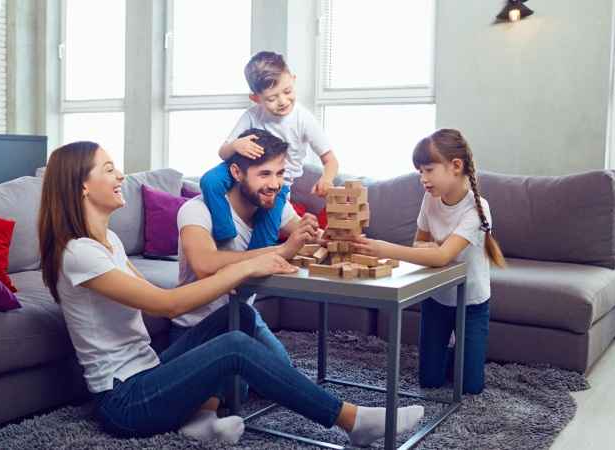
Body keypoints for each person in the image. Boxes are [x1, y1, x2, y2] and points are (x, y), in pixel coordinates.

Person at [38, 141, 424, 446]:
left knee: (232, 318)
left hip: (148, 372)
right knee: (235, 346)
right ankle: (352, 421)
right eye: (109, 169)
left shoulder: (108, 241)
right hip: (123, 401)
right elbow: (167, 304)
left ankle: (200, 419)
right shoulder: (79, 253)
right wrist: (245, 266)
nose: (121, 174)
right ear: (82, 185)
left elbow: (153, 292)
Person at [352, 129, 506, 395]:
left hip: (471, 301)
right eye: (419, 172)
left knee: (470, 386)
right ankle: (450, 353)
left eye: (428, 170)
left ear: (455, 166)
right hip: (437, 298)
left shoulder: (478, 207)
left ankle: (465, 354)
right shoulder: (430, 199)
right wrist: (431, 250)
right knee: (429, 381)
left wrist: (385, 248)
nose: (422, 179)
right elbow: (419, 244)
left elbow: (442, 255)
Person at [173, 128, 320, 398]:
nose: (275, 184)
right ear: (237, 173)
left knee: (282, 371)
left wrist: (320, 234)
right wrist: (282, 249)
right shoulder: (197, 209)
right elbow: (205, 264)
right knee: (237, 392)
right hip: (198, 324)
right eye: (264, 174)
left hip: (243, 315)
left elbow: (308, 241)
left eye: (279, 173)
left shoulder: (274, 204)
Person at [200, 50, 339, 249]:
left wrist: (327, 178)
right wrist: (235, 145)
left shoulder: (304, 119)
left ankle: (258, 257)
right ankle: (225, 233)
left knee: (266, 225)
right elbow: (223, 152)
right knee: (210, 180)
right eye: (272, 98)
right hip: (242, 172)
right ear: (256, 98)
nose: (282, 101)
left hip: (277, 184)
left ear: (293, 79)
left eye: (288, 91)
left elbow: (331, 160)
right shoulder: (251, 115)